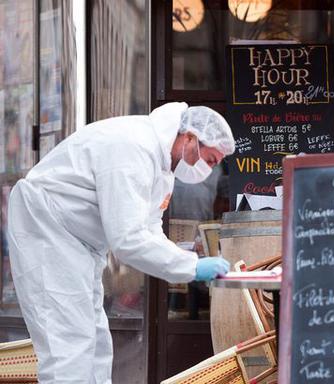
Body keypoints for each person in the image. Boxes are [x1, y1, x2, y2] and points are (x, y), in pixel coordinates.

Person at [6, 102, 234, 382]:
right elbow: (128, 240)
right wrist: (192, 267)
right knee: (67, 343)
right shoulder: (134, 148)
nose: (208, 169)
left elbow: (148, 229)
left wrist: (185, 259)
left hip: (75, 240)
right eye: (209, 159)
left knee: (96, 341)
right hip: (47, 229)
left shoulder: (161, 165)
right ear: (189, 138)